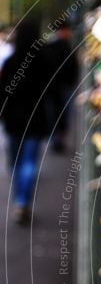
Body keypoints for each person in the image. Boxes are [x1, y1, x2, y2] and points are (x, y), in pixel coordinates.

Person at [0, 17, 53, 224]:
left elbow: (3, 92)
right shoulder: (43, 60)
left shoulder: (11, 62)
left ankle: (19, 199)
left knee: (15, 161)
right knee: (30, 162)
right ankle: (23, 201)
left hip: (14, 120)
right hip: (35, 118)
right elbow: (51, 91)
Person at [47, 19, 78, 154]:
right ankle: (58, 140)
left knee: (57, 113)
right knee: (62, 113)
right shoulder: (63, 46)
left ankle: (56, 140)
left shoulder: (54, 46)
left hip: (57, 88)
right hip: (62, 87)